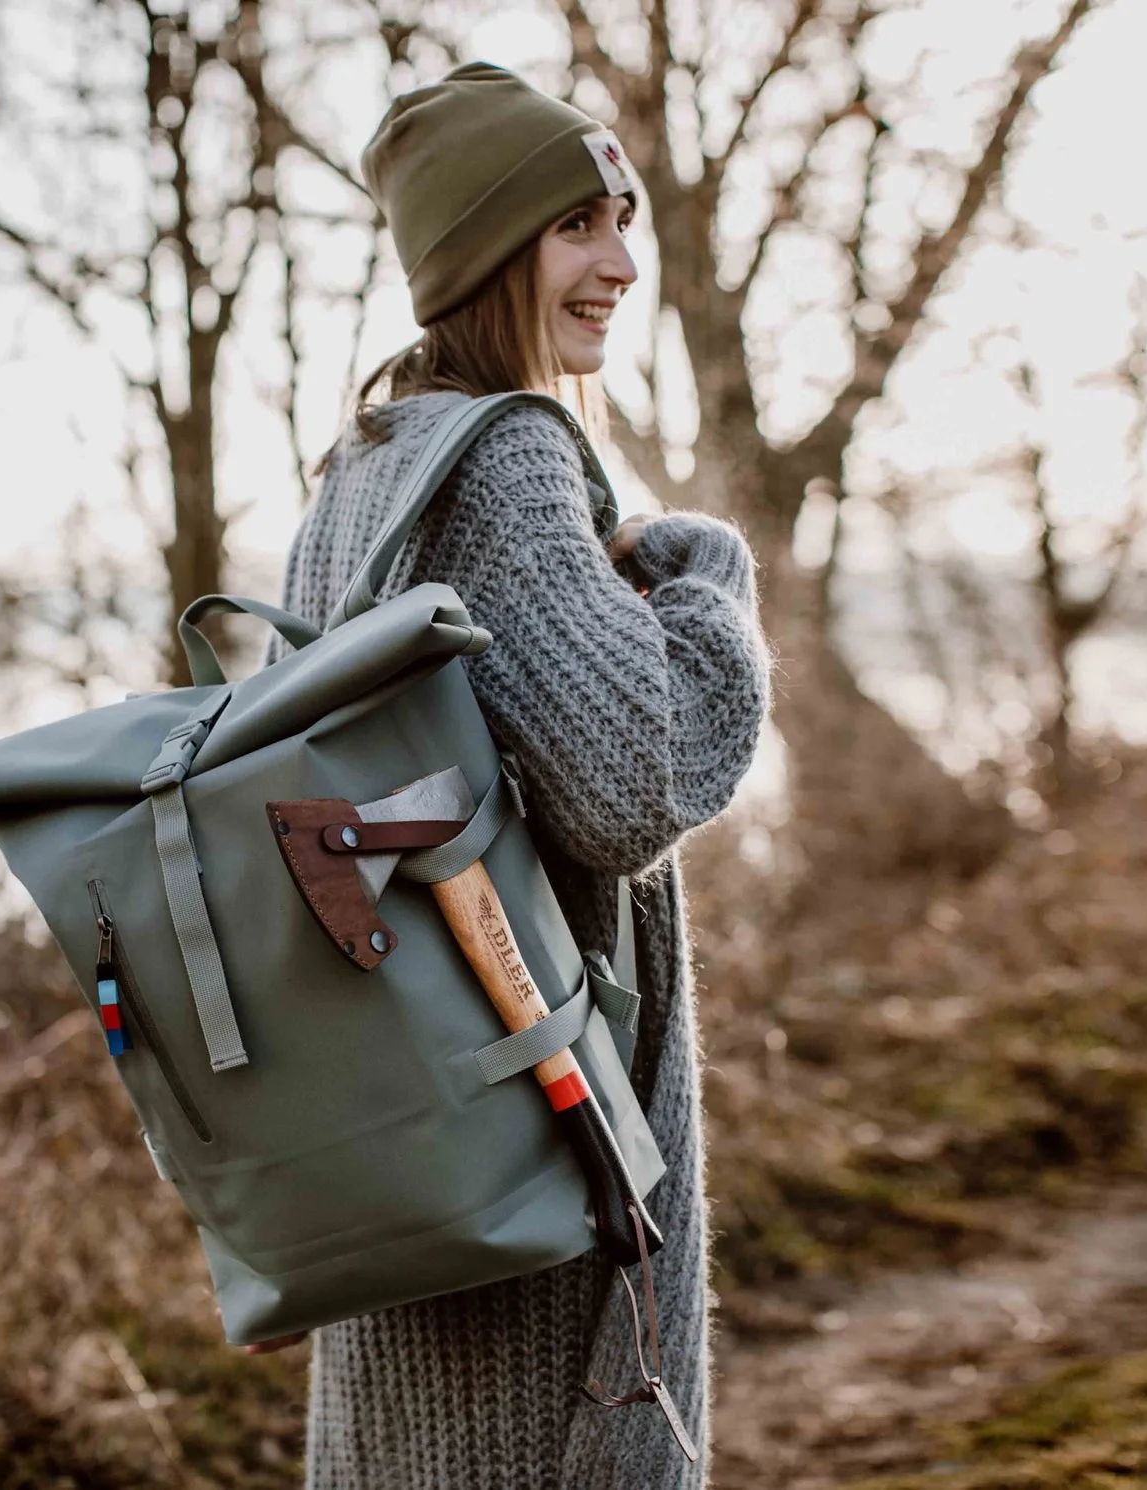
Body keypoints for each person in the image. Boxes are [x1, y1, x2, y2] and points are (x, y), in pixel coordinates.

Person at [249, 59, 772, 1490]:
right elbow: (635, 781)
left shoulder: (364, 462)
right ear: (489, 251)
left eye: (623, 222)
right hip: (537, 1113)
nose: (618, 263)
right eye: (577, 227)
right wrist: (702, 572)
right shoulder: (514, 459)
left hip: (403, 1107)